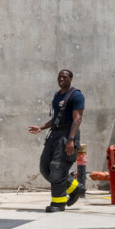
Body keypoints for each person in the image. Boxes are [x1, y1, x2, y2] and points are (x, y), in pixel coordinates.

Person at [29, 70, 85, 212]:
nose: (61, 79)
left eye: (64, 77)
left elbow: (77, 119)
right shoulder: (57, 95)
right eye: (59, 76)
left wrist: (71, 140)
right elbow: (56, 119)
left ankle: (58, 203)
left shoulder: (76, 95)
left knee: (58, 168)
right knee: (45, 167)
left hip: (67, 135)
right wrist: (41, 127)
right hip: (55, 134)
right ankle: (75, 188)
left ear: (71, 79)